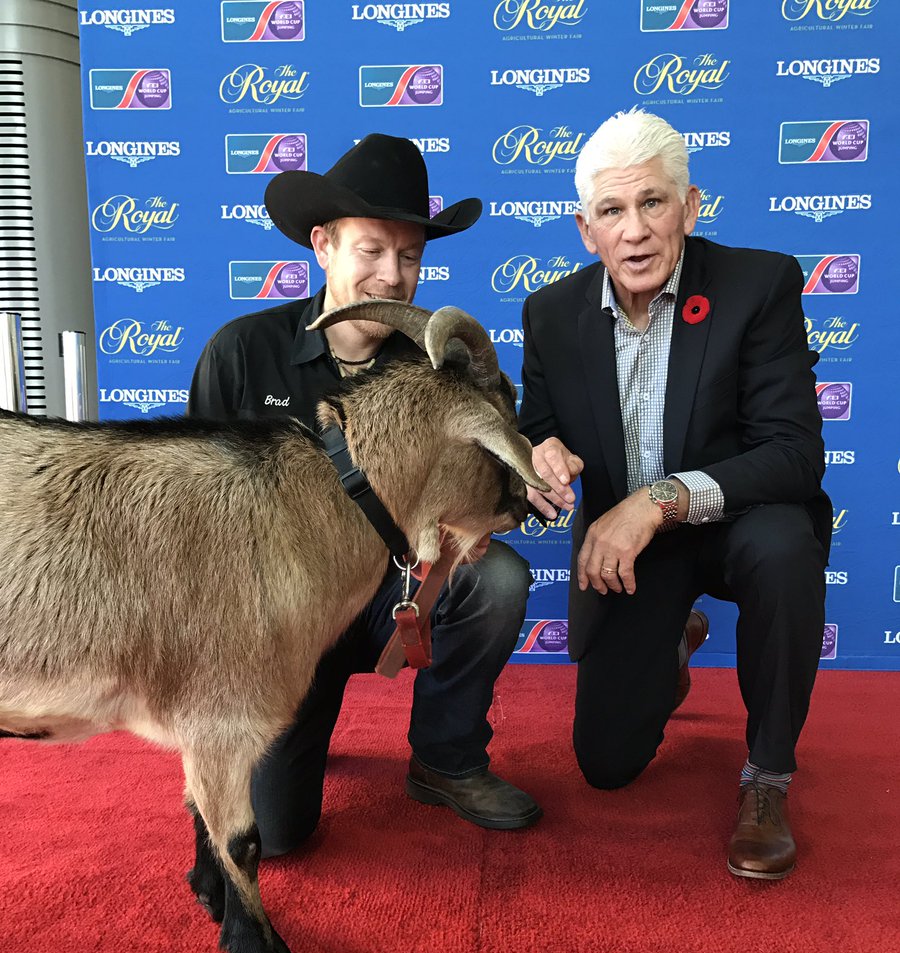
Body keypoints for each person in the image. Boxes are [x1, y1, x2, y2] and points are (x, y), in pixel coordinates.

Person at [189, 134, 540, 855]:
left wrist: (525, 479)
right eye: (372, 250)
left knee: (497, 581)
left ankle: (446, 761)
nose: (393, 274)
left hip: (392, 598)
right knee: (277, 838)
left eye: (410, 256)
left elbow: (495, 497)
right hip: (281, 628)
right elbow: (196, 524)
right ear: (323, 245)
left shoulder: (440, 371)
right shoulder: (240, 351)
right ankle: (298, 735)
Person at [519, 109, 830, 880]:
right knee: (606, 766)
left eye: (654, 203)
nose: (635, 231)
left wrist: (656, 501)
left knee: (785, 545)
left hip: (738, 521)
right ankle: (673, 639)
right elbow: (538, 433)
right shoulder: (550, 314)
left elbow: (794, 455)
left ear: (691, 208)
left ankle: (767, 778)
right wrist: (539, 458)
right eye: (613, 211)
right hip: (635, 555)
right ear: (585, 228)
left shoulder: (760, 284)